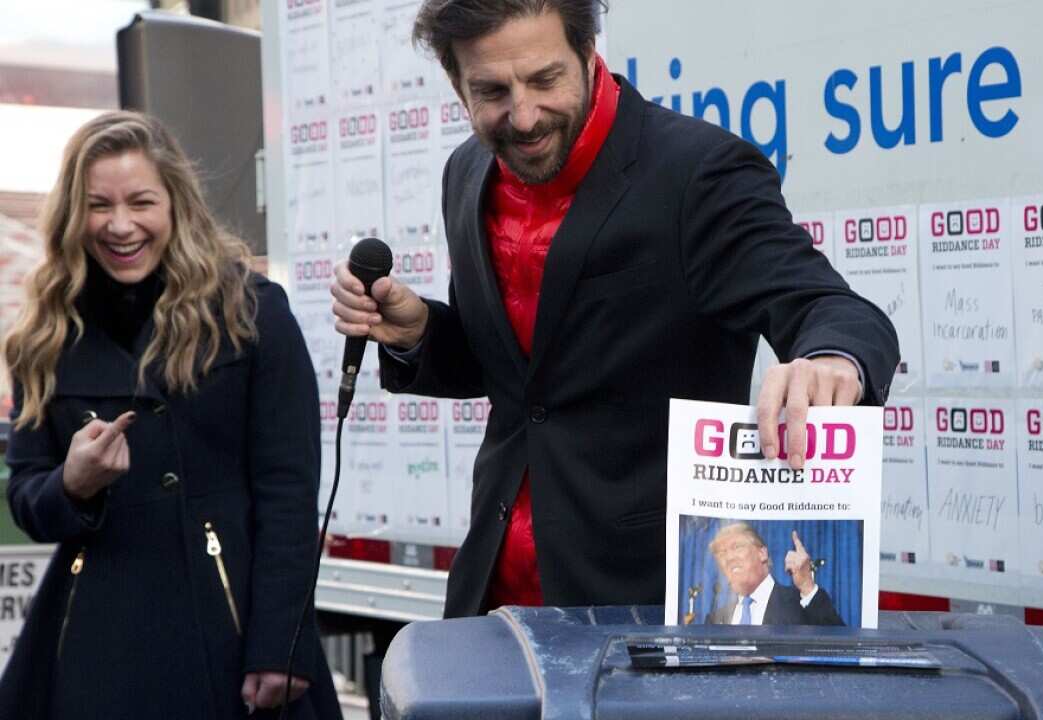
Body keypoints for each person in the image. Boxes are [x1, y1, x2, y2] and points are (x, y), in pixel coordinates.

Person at [329, 0, 899, 618]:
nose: (522, 116)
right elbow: (525, 375)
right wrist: (420, 334)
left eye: (545, 79)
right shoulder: (466, 172)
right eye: (491, 91)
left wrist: (831, 358)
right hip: (492, 603)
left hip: (644, 609)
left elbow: (826, 303)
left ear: (587, 51)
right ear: (454, 82)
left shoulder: (696, 171)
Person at [0, 111, 341, 719]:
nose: (121, 225)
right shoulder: (45, 334)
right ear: (73, 214)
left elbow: (289, 491)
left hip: (228, 624)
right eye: (99, 204)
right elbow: (28, 499)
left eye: (141, 202)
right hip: (95, 642)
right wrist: (72, 483)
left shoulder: (250, 314)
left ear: (176, 205)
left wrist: (278, 645)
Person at [705, 523, 843, 626]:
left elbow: (840, 645)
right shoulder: (715, 619)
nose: (729, 558)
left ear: (762, 554)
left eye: (737, 547)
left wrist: (806, 585)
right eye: (722, 553)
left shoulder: (799, 603)